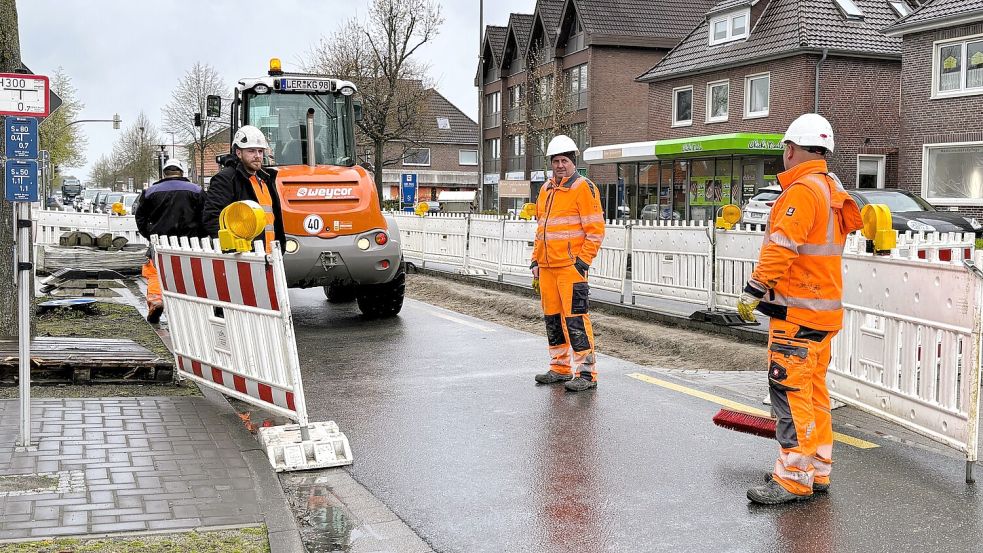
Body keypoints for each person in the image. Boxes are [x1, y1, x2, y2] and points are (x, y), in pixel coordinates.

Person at [737, 113, 863, 504]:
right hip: (821, 313)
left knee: (789, 393)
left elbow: (781, 248)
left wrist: (752, 291)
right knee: (813, 394)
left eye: (784, 151)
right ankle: (817, 469)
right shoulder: (830, 188)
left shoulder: (801, 191)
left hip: (796, 315)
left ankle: (793, 476)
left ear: (791, 150)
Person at [530, 134, 605, 393]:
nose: (560, 165)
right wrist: (535, 261)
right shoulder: (546, 190)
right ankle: (560, 368)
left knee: (576, 320)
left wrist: (582, 263)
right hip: (548, 268)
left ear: (573, 161)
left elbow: (595, 230)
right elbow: (541, 229)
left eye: (564, 160)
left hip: (570, 268)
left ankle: (586, 372)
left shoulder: (584, 187)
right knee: (553, 320)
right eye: (556, 161)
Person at [134, 158, 205, 323]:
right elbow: (205, 216)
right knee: (189, 274)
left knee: (155, 272)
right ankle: (189, 307)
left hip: (160, 241)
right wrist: (199, 236)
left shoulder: (150, 192)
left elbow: (140, 218)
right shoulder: (196, 190)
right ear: (181, 173)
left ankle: (156, 301)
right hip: (189, 242)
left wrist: (149, 235)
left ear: (164, 174)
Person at [202, 125, 286, 253]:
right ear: (238, 153)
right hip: (244, 257)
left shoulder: (265, 179)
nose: (257, 156)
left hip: (269, 254)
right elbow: (213, 218)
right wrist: (234, 249)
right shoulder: (226, 179)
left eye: (260, 151)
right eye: (251, 151)